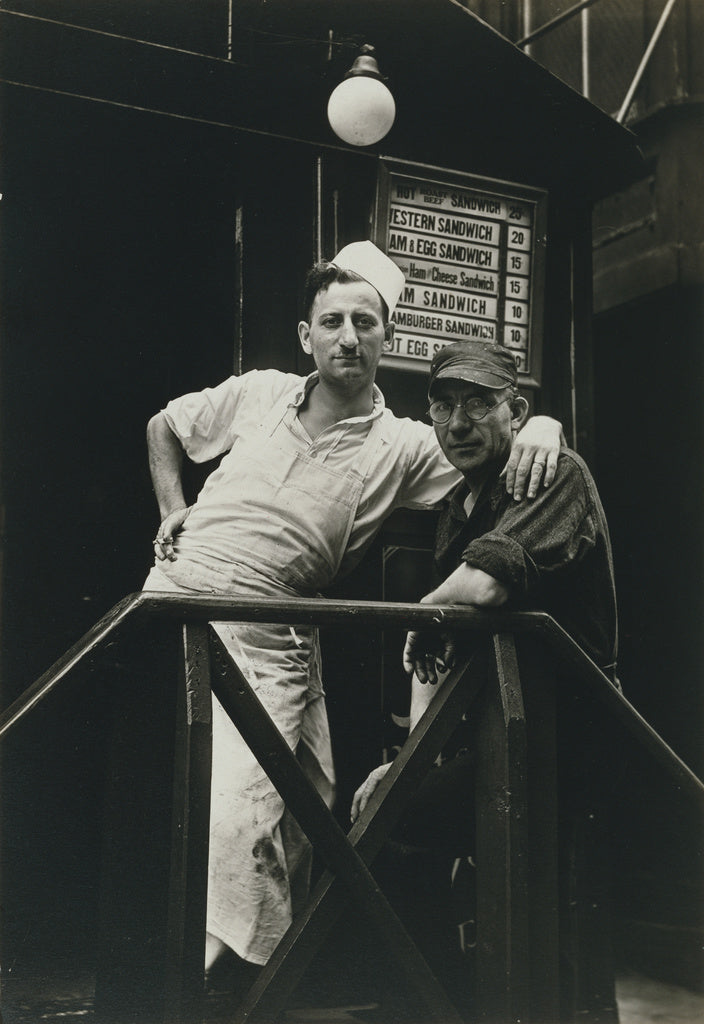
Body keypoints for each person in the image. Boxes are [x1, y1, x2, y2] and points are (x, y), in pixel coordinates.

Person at [143, 243, 562, 994]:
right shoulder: (262, 392)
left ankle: (255, 978)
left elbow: (493, 448)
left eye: (364, 322)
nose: (348, 336)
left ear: (385, 338)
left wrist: (546, 427)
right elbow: (164, 427)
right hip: (183, 602)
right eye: (331, 321)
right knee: (237, 815)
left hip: (276, 632)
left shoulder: (405, 442)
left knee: (315, 803)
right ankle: (202, 990)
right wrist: (174, 509)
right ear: (306, 335)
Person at [351, 340, 619, 1019]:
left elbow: (485, 585)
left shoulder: (554, 472)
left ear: (516, 411)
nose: (458, 424)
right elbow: (445, 663)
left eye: (478, 404)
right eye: (443, 407)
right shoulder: (462, 505)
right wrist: (406, 763)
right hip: (501, 743)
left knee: (395, 829)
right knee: (376, 813)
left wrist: (427, 616)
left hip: (568, 747)